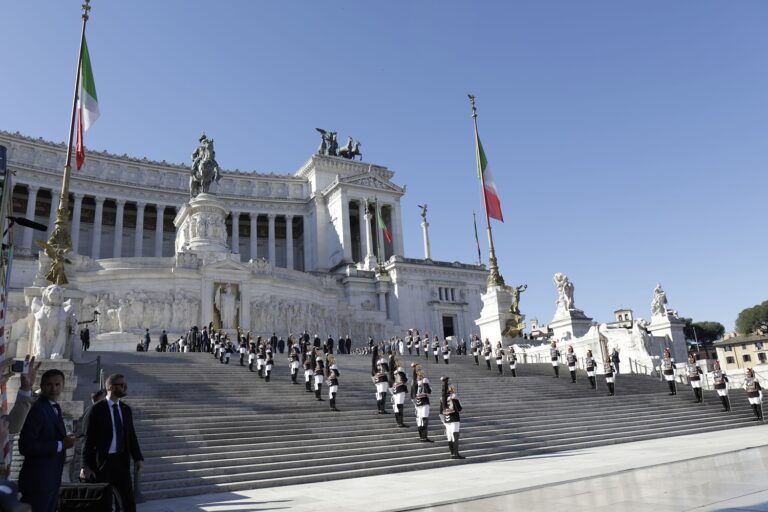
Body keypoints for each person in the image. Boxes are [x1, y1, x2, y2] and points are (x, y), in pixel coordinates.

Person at [81, 374, 144, 512]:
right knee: (104, 504)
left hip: (121, 461)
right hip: (102, 463)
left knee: (128, 502)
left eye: (125, 384)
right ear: (110, 387)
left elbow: (131, 435)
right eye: (121, 385)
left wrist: (138, 457)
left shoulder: (126, 409)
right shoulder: (96, 409)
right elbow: (88, 440)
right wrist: (85, 465)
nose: (125, 387)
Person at [18, 368, 77, 512]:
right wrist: (60, 445)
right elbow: (25, 446)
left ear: (63, 385)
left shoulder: (54, 407)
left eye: (57, 384)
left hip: (50, 480)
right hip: (38, 482)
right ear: (42, 386)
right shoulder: (38, 408)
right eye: (49, 384)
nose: (54, 389)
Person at [440, 376, 464, 459]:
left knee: (450, 436)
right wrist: (455, 400)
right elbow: (459, 409)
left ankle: (452, 453)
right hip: (454, 419)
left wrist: (444, 422)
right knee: (455, 435)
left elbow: (440, 413)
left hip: (447, 420)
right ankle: (456, 454)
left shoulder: (442, 399)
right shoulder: (454, 398)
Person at [410, 363, 433, 442]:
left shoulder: (413, 381)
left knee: (419, 420)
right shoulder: (424, 380)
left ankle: (421, 437)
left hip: (417, 402)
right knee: (424, 419)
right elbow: (428, 392)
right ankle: (424, 437)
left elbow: (412, 395)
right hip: (424, 401)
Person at [391, 362, 409, 427]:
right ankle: (400, 422)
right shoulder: (400, 370)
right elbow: (404, 380)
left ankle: (398, 422)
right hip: (400, 389)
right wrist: (406, 376)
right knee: (400, 406)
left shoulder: (394, 372)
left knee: (396, 407)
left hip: (395, 389)